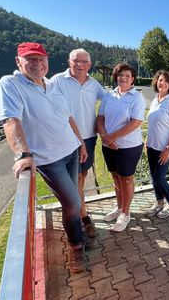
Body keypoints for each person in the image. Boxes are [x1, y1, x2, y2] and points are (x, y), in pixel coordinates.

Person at [0, 42, 89, 273]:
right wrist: (23, 154)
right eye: (31, 59)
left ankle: (78, 231)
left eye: (41, 59)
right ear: (19, 62)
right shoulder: (11, 83)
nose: (37, 63)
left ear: (47, 62)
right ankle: (76, 247)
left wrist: (81, 143)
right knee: (73, 203)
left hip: (71, 151)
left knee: (75, 197)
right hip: (49, 159)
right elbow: (10, 120)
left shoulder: (52, 85)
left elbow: (68, 118)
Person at [50, 48, 106, 238]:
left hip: (88, 137)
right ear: (69, 62)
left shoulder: (94, 84)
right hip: (65, 137)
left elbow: (110, 100)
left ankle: (80, 216)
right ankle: (81, 217)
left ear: (89, 65)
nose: (80, 65)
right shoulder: (57, 80)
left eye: (84, 62)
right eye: (76, 61)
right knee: (69, 181)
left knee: (81, 178)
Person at [96, 63, 145, 232]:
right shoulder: (109, 95)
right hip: (108, 145)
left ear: (133, 79)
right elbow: (100, 118)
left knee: (126, 179)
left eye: (127, 76)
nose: (123, 78)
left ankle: (126, 213)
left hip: (128, 147)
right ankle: (119, 208)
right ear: (116, 77)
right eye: (120, 75)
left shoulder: (136, 97)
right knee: (115, 178)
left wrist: (112, 137)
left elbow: (136, 122)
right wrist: (105, 137)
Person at [144, 70, 169, 219]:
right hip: (152, 146)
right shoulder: (155, 100)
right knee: (154, 178)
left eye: (166, 81)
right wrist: (147, 141)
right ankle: (159, 203)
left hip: (164, 148)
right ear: (156, 82)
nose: (163, 83)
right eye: (160, 80)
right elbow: (152, 123)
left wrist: (168, 148)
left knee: (160, 178)